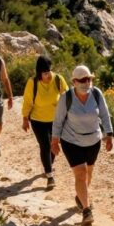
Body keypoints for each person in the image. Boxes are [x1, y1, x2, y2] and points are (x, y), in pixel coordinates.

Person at [51, 65, 113, 226]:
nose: (87, 83)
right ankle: (87, 210)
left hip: (93, 140)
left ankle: (81, 196)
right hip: (71, 141)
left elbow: (105, 115)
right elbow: (58, 120)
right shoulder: (66, 98)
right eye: (83, 80)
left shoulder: (97, 94)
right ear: (74, 82)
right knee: (81, 174)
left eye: (89, 79)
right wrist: (54, 140)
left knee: (89, 173)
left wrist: (109, 135)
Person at [22, 56, 69, 190]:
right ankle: (50, 175)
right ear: (39, 73)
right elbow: (27, 102)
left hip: (56, 120)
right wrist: (25, 119)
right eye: (45, 73)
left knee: (53, 144)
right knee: (45, 145)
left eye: (49, 72)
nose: (48, 76)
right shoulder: (33, 83)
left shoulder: (58, 79)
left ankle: (48, 165)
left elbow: (67, 97)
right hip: (38, 120)